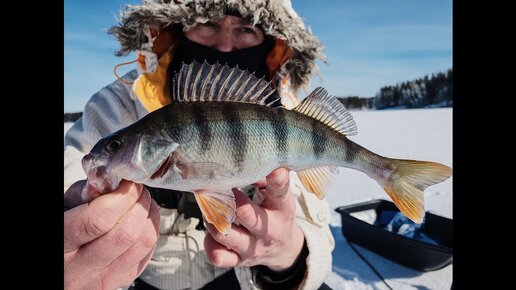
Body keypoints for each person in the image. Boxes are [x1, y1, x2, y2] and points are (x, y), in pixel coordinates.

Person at [64, 0, 334, 289]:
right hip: (142, 280)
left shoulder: (289, 115)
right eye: (208, 23)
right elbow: (70, 167)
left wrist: (290, 255)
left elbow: (317, 234)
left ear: (270, 41)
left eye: (245, 29)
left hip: (244, 280)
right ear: (176, 26)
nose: (225, 46)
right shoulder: (116, 104)